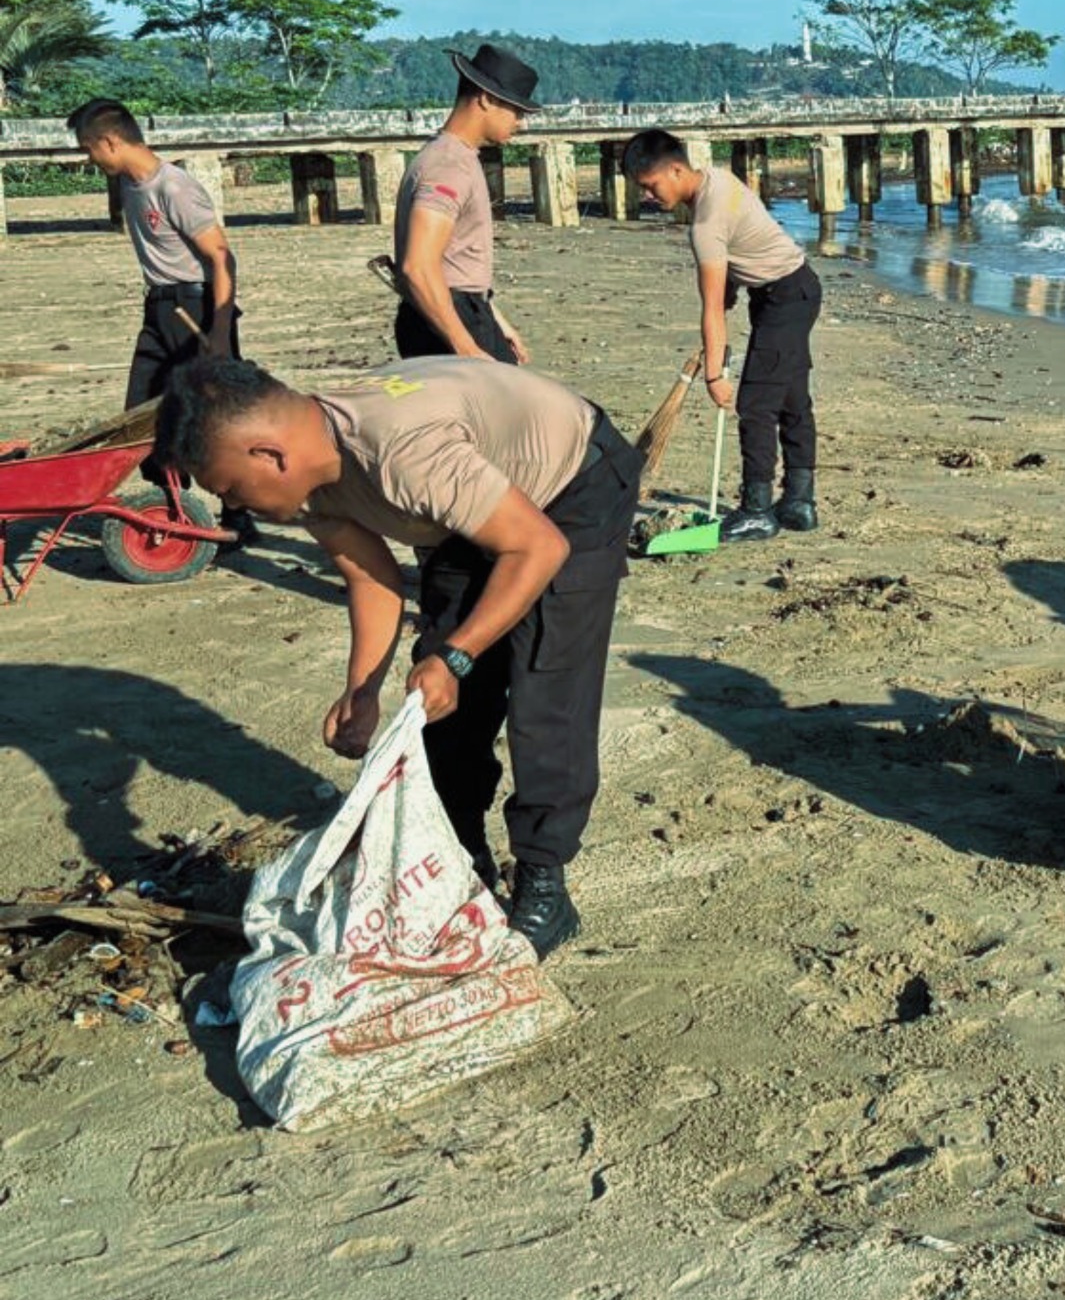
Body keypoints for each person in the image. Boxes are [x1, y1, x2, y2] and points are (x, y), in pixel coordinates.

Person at [155, 354, 642, 958]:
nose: (235, 505)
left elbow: (538, 547)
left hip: (571, 487)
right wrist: (363, 690)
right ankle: (461, 852)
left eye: (229, 490)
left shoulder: (401, 453)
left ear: (268, 455)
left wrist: (459, 657)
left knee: (546, 690)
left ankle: (545, 884)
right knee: (436, 697)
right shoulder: (307, 482)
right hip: (469, 504)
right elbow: (371, 577)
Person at [622, 128, 821, 542]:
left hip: (785, 297)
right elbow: (735, 256)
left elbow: (712, 307)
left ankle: (757, 511)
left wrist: (714, 375)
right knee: (791, 398)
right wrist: (730, 294)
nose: (649, 196)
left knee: (756, 405)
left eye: (651, 186)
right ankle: (799, 503)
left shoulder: (705, 224)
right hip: (794, 290)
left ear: (676, 170)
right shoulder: (718, 179)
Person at [70, 99, 241, 405]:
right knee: (138, 412)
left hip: (194, 309)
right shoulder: (127, 183)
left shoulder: (174, 188)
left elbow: (222, 257)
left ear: (109, 142)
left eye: (88, 149)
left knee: (215, 413)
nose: (90, 159)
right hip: (158, 309)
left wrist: (220, 331)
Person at [391, 42, 539, 363]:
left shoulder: (456, 156)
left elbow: (456, 262)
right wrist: (466, 346)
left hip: (459, 310)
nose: (521, 122)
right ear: (486, 99)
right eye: (516, 111)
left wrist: (495, 319)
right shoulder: (448, 165)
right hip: (447, 317)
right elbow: (418, 267)